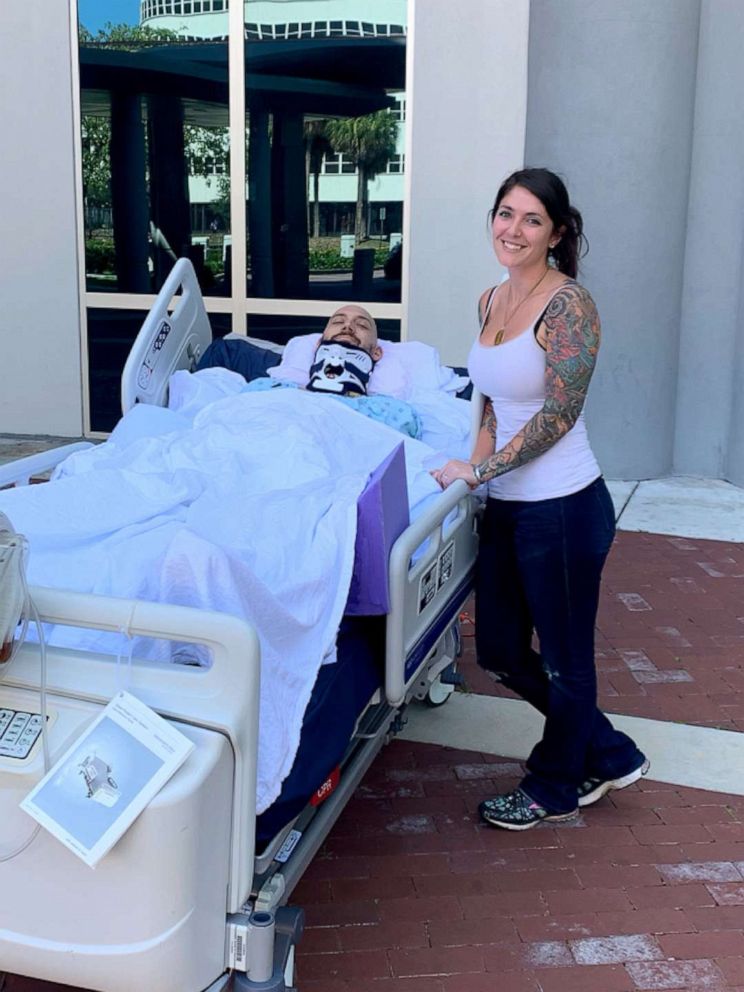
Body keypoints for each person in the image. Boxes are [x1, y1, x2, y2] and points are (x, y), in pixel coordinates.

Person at [432, 168, 648, 830]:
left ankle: (555, 783)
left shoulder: (569, 306)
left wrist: (480, 470)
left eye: (531, 220)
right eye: (505, 214)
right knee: (497, 649)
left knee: (563, 659)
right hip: (508, 506)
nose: (513, 230)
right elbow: (493, 403)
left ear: (556, 232)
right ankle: (609, 750)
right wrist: (477, 463)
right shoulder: (489, 301)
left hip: (563, 507)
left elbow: (557, 415)